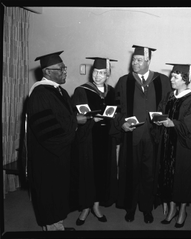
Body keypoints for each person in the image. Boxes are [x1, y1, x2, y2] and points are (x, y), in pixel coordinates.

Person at [27, 51, 86, 231]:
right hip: (48, 156)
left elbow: (63, 117)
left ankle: (57, 224)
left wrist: (76, 117)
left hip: (60, 155)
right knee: (50, 193)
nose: (65, 72)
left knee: (58, 192)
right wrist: (75, 121)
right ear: (47, 72)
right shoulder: (39, 94)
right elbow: (47, 131)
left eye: (64, 68)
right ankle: (52, 228)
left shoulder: (59, 91)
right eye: (60, 69)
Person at [114, 45, 172, 224]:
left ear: (148, 61)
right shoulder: (124, 81)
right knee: (130, 172)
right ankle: (130, 208)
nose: (134, 63)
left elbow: (168, 105)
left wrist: (163, 120)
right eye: (133, 60)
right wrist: (121, 123)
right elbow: (115, 108)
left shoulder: (162, 80)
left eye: (139, 60)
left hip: (153, 136)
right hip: (132, 136)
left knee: (149, 173)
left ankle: (147, 208)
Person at [71, 57, 119, 225]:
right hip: (88, 139)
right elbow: (77, 117)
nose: (98, 76)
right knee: (87, 172)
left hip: (106, 139)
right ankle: (85, 207)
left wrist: (114, 118)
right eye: (96, 72)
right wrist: (93, 120)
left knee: (102, 172)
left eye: (102, 73)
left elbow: (117, 112)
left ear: (108, 75)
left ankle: (96, 206)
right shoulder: (81, 91)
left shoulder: (111, 91)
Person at [155, 63, 191, 228]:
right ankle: (172, 209)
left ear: (185, 79)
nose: (171, 79)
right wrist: (158, 119)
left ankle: (182, 211)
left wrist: (172, 123)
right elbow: (160, 111)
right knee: (168, 177)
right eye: (172, 75)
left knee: (181, 179)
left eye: (175, 77)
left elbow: (190, 123)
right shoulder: (169, 95)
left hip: (183, 146)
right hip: (168, 143)